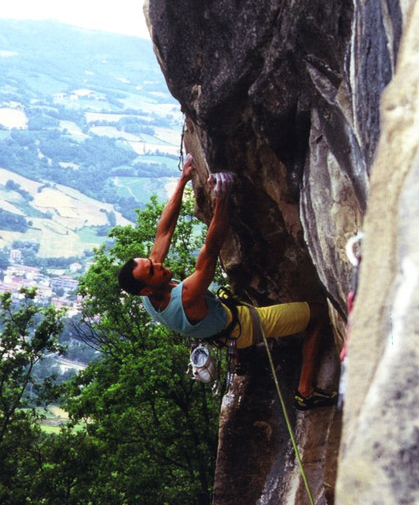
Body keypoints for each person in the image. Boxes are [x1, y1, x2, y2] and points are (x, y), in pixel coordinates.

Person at [118, 154, 337, 410]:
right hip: (242, 326)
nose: (159, 264)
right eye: (153, 270)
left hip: (217, 332)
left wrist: (183, 180)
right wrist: (223, 197)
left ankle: (241, 361)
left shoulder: (147, 294)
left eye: (151, 262)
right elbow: (211, 250)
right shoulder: (186, 296)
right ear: (146, 287)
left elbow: (164, 231)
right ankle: (305, 391)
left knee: (224, 311)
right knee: (319, 313)